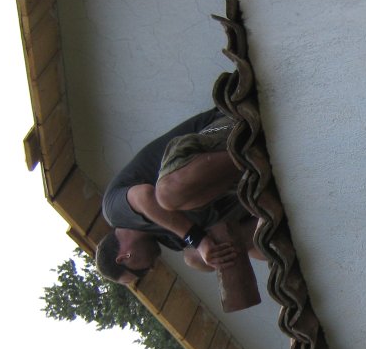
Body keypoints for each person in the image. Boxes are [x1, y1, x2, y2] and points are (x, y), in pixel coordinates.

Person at [96, 108, 261, 285]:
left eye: (141, 272)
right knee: (196, 258)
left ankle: (255, 154)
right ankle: (268, 205)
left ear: (124, 257)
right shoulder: (172, 240)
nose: (152, 268)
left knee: (167, 196)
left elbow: (144, 196)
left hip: (226, 132)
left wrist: (198, 240)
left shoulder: (114, 212)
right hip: (244, 187)